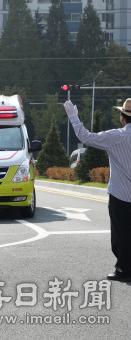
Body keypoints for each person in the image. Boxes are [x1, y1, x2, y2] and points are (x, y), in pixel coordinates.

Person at [64, 99, 131, 282]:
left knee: (121, 234)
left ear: (123, 118)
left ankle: (124, 270)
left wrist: (73, 117)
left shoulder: (115, 136)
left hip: (121, 194)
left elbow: (85, 137)